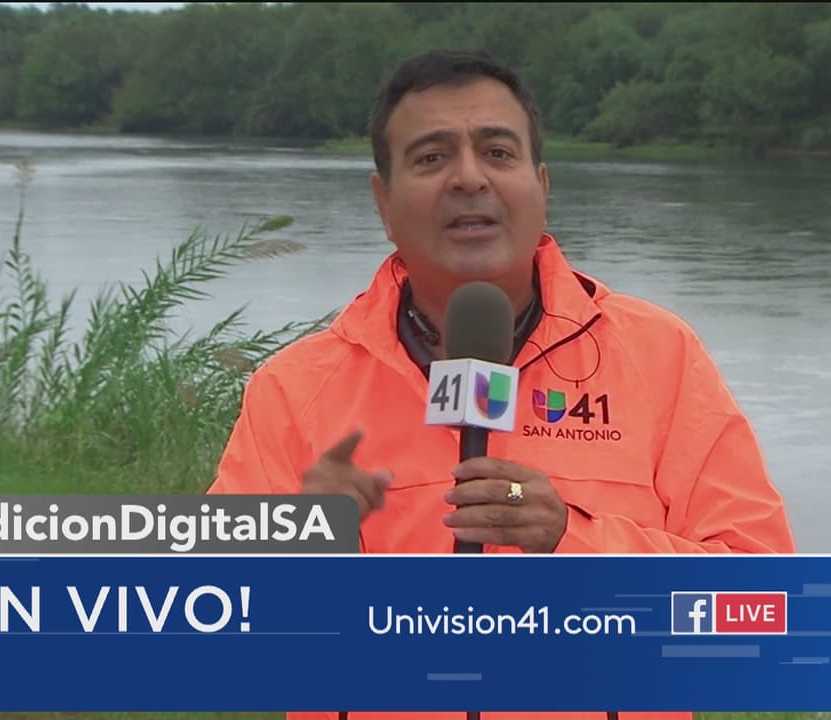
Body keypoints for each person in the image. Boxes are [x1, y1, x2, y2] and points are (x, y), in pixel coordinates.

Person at [208, 49, 796, 720]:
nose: (469, 178)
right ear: (383, 202)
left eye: (497, 152)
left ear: (542, 185)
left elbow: (762, 607)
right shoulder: (294, 388)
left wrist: (571, 540)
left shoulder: (660, 357)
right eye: (431, 157)